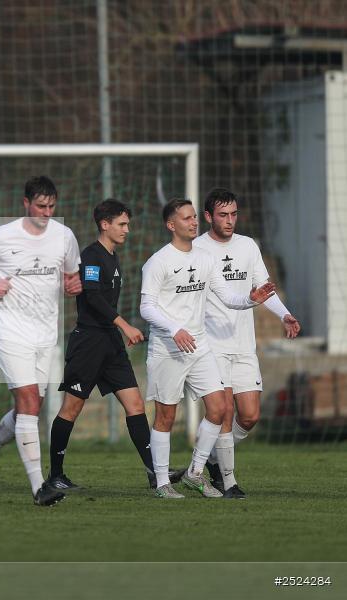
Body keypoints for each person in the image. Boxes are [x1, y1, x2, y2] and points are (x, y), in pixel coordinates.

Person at [140, 198, 274, 499]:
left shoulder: (205, 259)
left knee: (219, 408)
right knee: (166, 417)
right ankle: (162, 483)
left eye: (193, 217)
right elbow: (146, 307)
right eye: (186, 218)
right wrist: (175, 329)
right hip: (168, 349)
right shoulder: (158, 262)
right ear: (171, 225)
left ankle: (196, 473)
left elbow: (228, 297)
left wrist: (252, 298)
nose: (193, 222)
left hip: (199, 347)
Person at [50, 199, 181, 491]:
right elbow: (93, 298)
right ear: (104, 224)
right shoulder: (91, 256)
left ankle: (153, 472)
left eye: (128, 224)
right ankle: (55, 475)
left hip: (111, 343)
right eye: (122, 224)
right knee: (71, 409)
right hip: (89, 343)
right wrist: (125, 325)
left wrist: (118, 330)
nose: (127, 230)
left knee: (135, 405)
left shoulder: (113, 256)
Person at [0, 176, 81, 507]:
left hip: (46, 333)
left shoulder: (64, 236)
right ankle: (39, 487)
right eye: (40, 206)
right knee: (30, 402)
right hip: (11, 330)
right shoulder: (2, 235)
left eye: (51, 206)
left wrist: (74, 286)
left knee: (29, 408)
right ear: (25, 203)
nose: (47, 212)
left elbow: (71, 276)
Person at [193, 188, 300, 498]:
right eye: (223, 215)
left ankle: (208, 458)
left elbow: (262, 290)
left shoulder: (248, 246)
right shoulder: (198, 249)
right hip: (212, 345)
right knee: (224, 411)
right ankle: (229, 482)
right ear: (209, 217)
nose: (230, 221)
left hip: (243, 345)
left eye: (234, 214)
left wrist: (285, 315)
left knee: (250, 415)